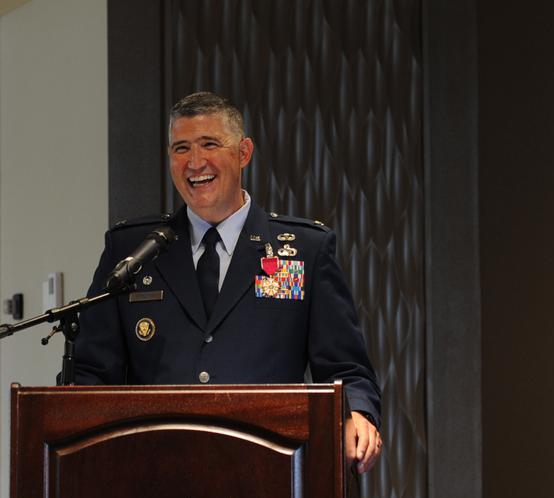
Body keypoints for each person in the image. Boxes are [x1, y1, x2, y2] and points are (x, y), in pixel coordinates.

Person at [73, 91, 382, 473]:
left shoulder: (304, 250)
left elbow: (345, 367)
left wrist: (360, 415)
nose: (195, 162)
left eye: (209, 144)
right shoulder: (132, 250)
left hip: (269, 472)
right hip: (154, 471)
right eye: (181, 148)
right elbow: (90, 371)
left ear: (244, 152)